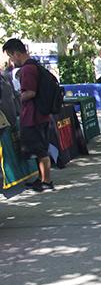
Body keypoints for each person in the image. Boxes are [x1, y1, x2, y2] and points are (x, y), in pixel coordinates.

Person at [2, 38, 54, 191]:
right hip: (39, 115)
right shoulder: (35, 66)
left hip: (34, 116)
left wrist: (16, 96)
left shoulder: (28, 69)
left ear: (17, 54)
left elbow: (30, 92)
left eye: (11, 57)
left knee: (40, 149)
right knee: (39, 149)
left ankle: (46, 181)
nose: (11, 61)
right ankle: (42, 178)